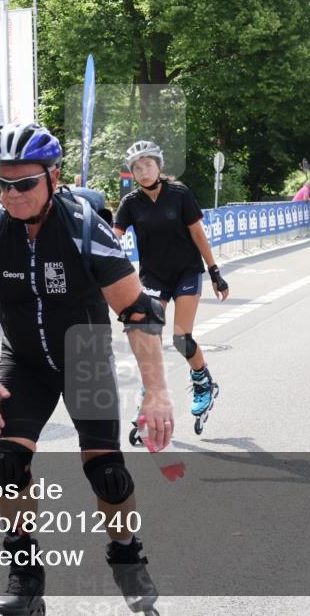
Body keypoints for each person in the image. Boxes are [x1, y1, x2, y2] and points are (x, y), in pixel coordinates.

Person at [0, 123, 172, 616]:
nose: (11, 194)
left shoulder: (86, 230)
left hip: (84, 356)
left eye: (24, 183)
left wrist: (155, 393)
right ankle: (26, 578)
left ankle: (127, 557)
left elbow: (138, 313)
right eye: (2, 183)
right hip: (24, 363)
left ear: (54, 176)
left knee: (107, 474)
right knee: (4, 462)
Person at [113, 140, 230, 437]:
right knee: (147, 335)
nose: (143, 171)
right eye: (137, 167)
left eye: (148, 165)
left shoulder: (179, 194)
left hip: (186, 272)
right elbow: (114, 238)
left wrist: (215, 272)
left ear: (159, 166)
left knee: (180, 338)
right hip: (153, 277)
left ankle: (204, 382)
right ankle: (149, 397)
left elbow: (198, 234)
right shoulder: (130, 204)